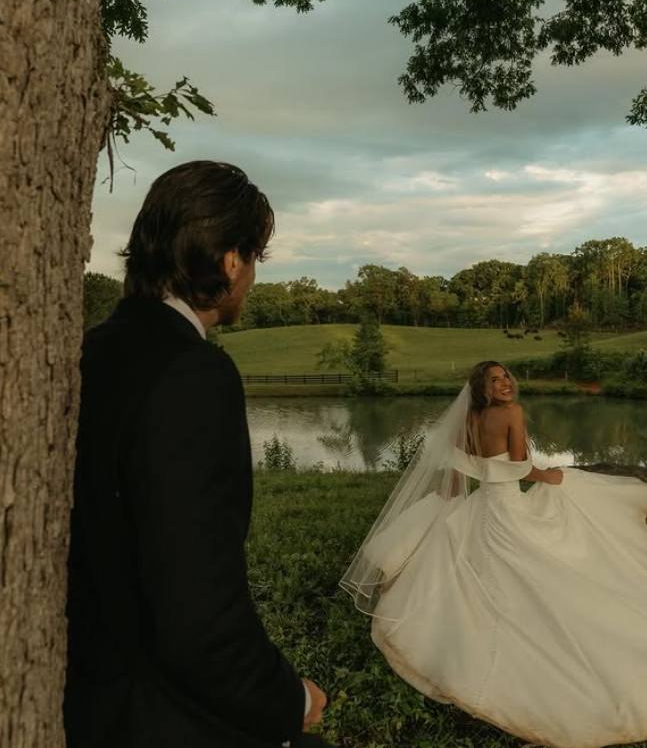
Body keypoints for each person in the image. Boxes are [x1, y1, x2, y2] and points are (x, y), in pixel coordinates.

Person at [65, 161, 338, 748]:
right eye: (255, 257)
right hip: (154, 714)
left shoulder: (89, 351)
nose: (253, 276)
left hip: (85, 694)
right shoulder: (194, 374)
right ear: (231, 261)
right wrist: (288, 699)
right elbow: (196, 613)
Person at [341, 360, 647, 748]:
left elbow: (458, 464)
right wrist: (547, 475)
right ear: (482, 387)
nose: (504, 384)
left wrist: (455, 494)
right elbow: (519, 467)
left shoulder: (468, 418)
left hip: (484, 506)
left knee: (488, 561)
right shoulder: (511, 413)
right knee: (567, 501)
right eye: (494, 380)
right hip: (508, 508)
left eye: (505, 377)